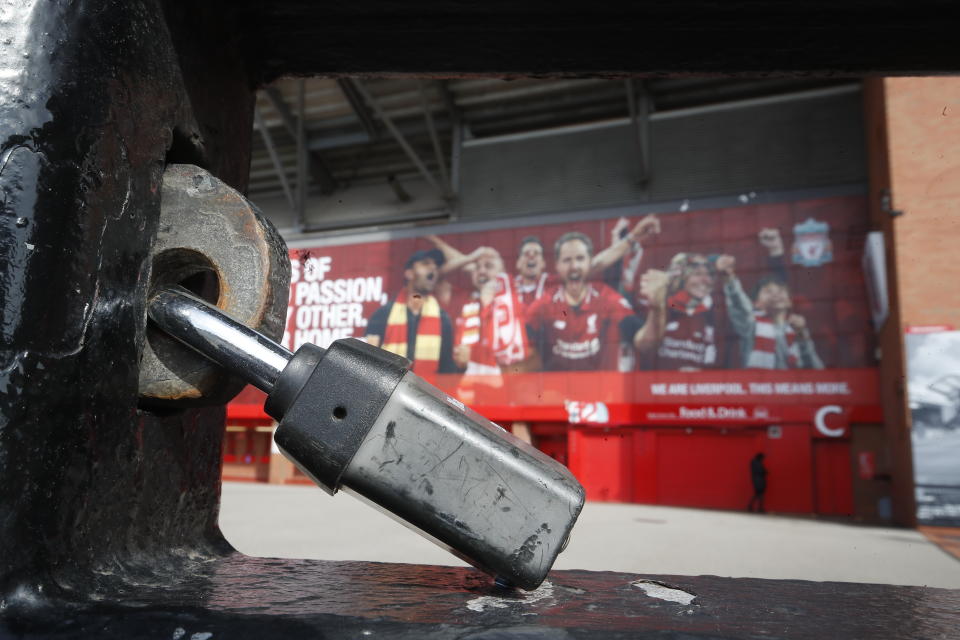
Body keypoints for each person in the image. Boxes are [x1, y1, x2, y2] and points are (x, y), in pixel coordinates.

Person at [525, 232, 636, 371]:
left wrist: (633, 237)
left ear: (590, 262)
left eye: (580, 258)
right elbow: (524, 347)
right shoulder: (546, 296)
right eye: (566, 260)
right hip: (556, 390)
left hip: (600, 388)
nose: (574, 266)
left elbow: (642, 338)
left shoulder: (606, 297)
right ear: (557, 265)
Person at [718, 229, 824, 370]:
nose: (776, 295)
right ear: (756, 303)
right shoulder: (751, 325)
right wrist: (729, 278)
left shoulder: (797, 329)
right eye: (768, 291)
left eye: (781, 291)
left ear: (789, 301)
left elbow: (816, 372)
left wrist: (803, 338)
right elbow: (739, 304)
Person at [364, 248, 460, 375]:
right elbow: (367, 370)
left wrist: (461, 366)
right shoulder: (382, 315)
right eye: (425, 263)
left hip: (424, 393)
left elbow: (447, 373)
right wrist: (369, 356)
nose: (433, 268)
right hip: (390, 392)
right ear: (409, 273)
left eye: (435, 266)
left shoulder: (443, 319)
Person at [629, 252, 729, 370]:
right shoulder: (661, 306)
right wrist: (656, 306)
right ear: (680, 277)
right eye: (697, 274)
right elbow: (645, 347)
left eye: (709, 275)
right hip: (659, 385)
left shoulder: (717, 313)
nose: (705, 280)